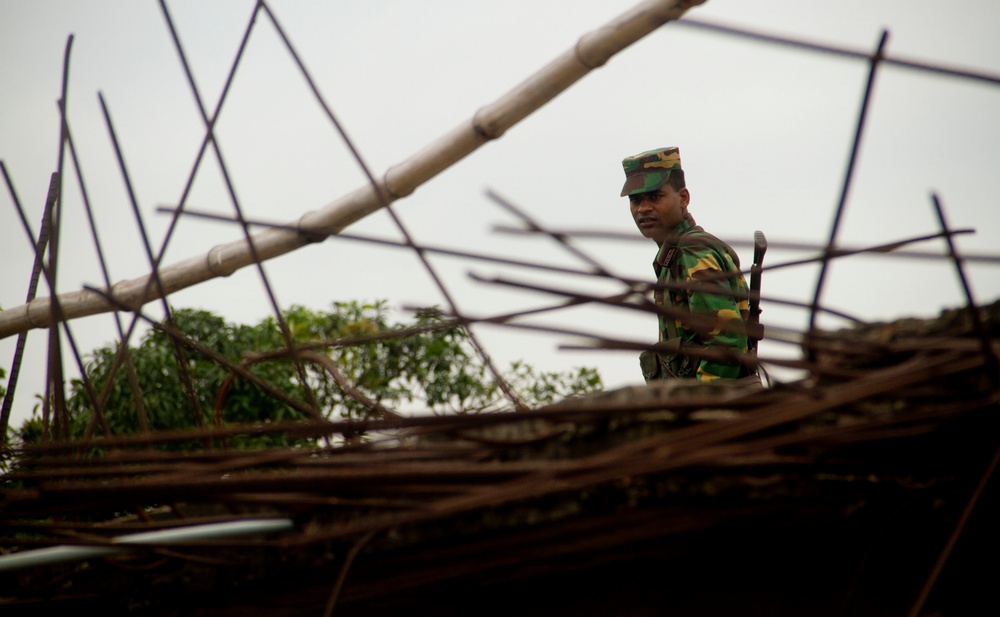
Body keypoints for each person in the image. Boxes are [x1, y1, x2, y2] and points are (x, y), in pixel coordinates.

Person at [620, 146, 752, 383]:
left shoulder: (693, 249)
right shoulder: (673, 254)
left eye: (655, 196)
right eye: (635, 200)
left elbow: (727, 339)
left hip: (717, 403)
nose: (643, 208)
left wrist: (701, 404)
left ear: (683, 198)